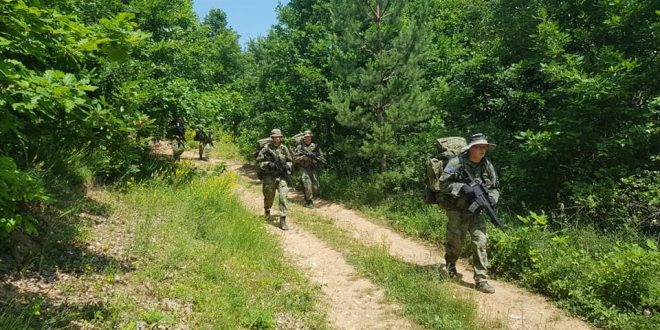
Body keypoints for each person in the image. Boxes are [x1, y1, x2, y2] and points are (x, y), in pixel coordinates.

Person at [439, 133, 500, 294]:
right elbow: (442, 183)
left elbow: (495, 187)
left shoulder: (487, 165)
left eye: (485, 147)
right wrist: (461, 188)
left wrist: (492, 199)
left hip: (477, 211)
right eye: (479, 147)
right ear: (471, 148)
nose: (483, 150)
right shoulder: (455, 162)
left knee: (480, 241)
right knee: (455, 242)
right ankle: (451, 264)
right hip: (457, 210)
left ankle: (481, 280)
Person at [256, 129, 293, 230]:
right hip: (269, 176)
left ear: (280, 138)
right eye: (275, 137)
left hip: (281, 176)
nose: (277, 139)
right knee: (269, 196)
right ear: (272, 138)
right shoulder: (266, 149)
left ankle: (283, 219)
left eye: (278, 137)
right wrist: (268, 164)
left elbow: (290, 160)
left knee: (283, 196)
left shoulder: (284, 148)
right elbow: (259, 162)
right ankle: (267, 211)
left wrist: (287, 166)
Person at [294, 130, 325, 208]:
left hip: (312, 168)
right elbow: (294, 158)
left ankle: (306, 194)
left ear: (311, 137)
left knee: (316, 186)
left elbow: (322, 157)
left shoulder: (315, 146)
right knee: (307, 183)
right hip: (303, 168)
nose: (307, 138)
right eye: (306, 137)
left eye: (309, 137)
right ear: (303, 138)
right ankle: (309, 201)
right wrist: (302, 158)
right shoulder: (299, 147)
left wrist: (315, 160)